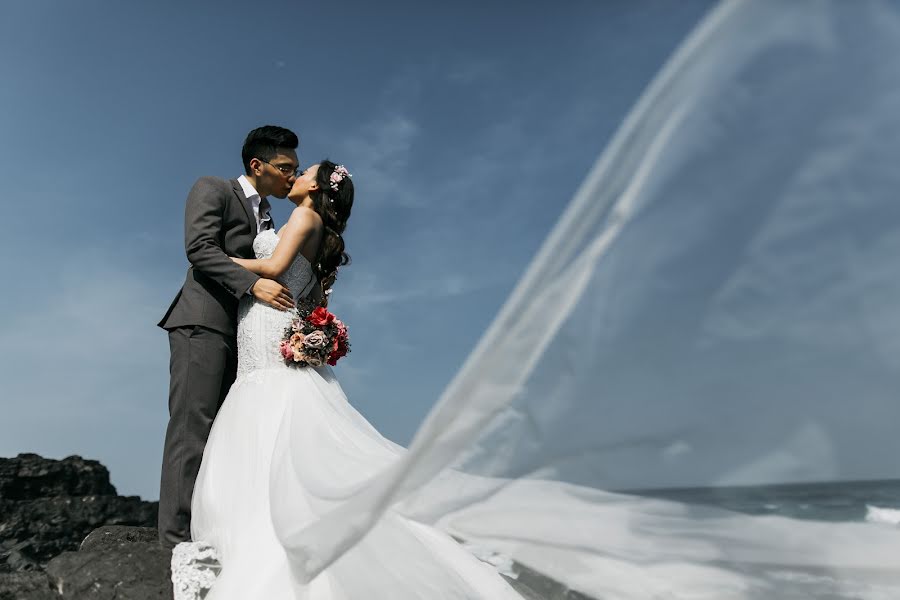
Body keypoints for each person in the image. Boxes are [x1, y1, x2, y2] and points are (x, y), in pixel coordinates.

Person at [178, 161, 524, 599]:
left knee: (264, 416)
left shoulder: (305, 216)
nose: (296, 176)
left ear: (317, 188)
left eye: (304, 172)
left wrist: (220, 259)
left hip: (266, 321)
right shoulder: (314, 226)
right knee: (275, 425)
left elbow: (275, 266)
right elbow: (314, 294)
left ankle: (265, 530)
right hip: (273, 323)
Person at [157, 125, 300, 549]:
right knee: (192, 428)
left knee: (226, 434)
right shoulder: (214, 188)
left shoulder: (273, 217)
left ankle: (211, 530)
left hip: (244, 337)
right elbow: (199, 248)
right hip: (202, 322)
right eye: (284, 168)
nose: (290, 176)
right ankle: (174, 543)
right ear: (257, 166)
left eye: (294, 169)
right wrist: (254, 285)